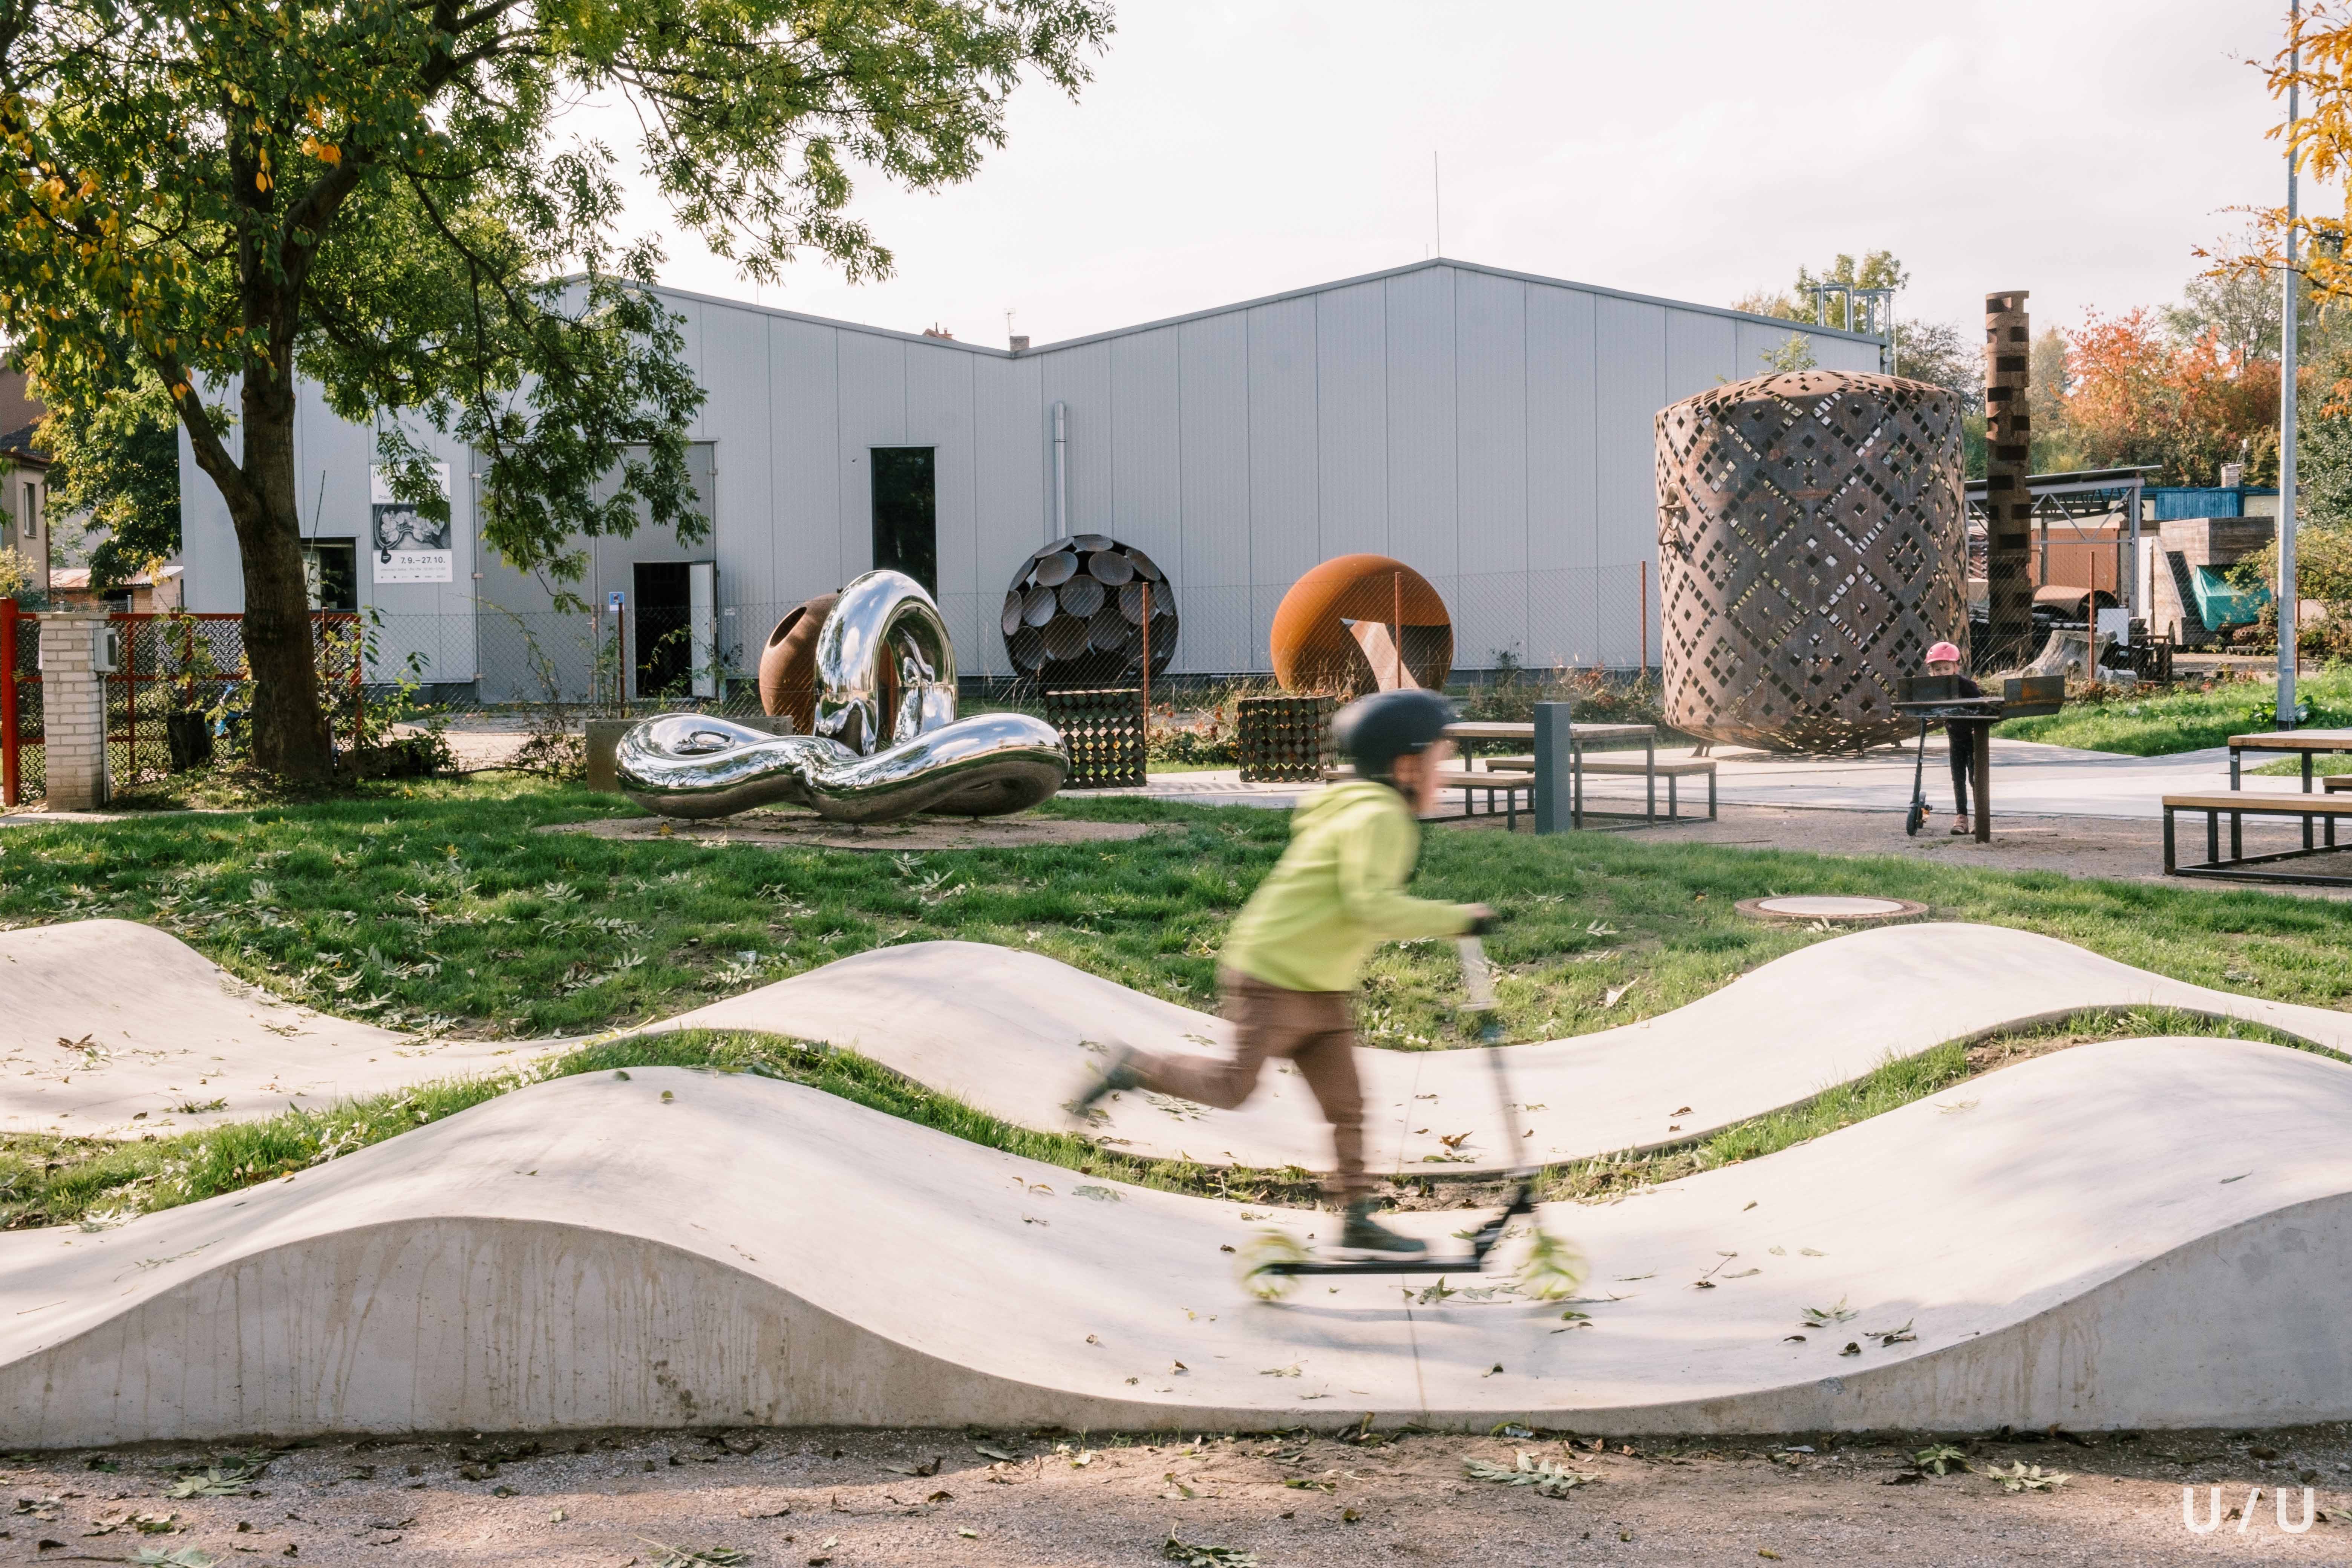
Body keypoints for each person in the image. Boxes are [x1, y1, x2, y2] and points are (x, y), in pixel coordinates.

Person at [1070, 689, 1493, 1254]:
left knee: (1347, 1106)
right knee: (1232, 1087)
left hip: (1323, 987)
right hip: (1272, 977)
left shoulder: (1369, 811)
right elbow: (1368, 904)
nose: (1445, 775)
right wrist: (1459, 919)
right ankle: (1135, 1067)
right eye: (1441, 761)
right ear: (1406, 764)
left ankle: (1358, 1217)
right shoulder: (1378, 818)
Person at [1926, 640, 1989, 836]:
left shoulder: (1967, 686)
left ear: (1956, 667)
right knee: (1958, 779)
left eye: (1947, 668)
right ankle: (1962, 817)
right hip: (1955, 737)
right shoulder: (1934, 688)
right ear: (1932, 672)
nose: (1942, 672)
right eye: (1938, 669)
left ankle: (1981, 817)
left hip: (1973, 737)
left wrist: (1976, 723)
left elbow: (1982, 708)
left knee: (1976, 779)